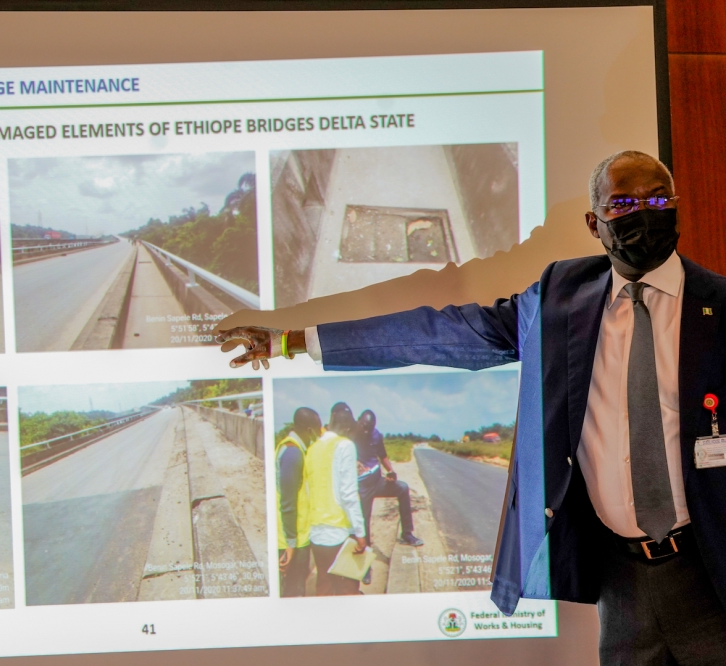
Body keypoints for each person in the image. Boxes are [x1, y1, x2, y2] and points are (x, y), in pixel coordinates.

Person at [217, 151, 726, 664]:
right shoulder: (559, 299)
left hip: (713, 572)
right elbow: (436, 334)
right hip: (622, 586)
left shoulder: (720, 306)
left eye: (659, 198)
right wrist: (293, 341)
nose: (644, 212)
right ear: (594, 224)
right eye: (623, 205)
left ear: (677, 209)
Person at [305, 402, 367, 596]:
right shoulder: (345, 445)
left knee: (324, 583)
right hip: (338, 534)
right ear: (348, 427)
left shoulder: (312, 448)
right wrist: (360, 533)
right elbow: (349, 494)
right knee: (347, 588)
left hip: (316, 533)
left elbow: (310, 489)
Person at [353, 410, 423, 554]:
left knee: (402, 488)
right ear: (358, 420)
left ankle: (407, 533)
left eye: (369, 428)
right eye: (364, 426)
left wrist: (391, 471)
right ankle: (364, 550)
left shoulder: (376, 435)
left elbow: (382, 456)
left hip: (377, 482)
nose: (366, 431)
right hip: (362, 485)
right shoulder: (350, 434)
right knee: (364, 517)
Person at [276, 407, 320, 597]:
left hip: (296, 535)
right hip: (292, 539)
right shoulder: (293, 453)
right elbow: (288, 502)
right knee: (294, 591)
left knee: (294, 588)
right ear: (309, 430)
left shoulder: (294, 449)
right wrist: (291, 545)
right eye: (318, 430)